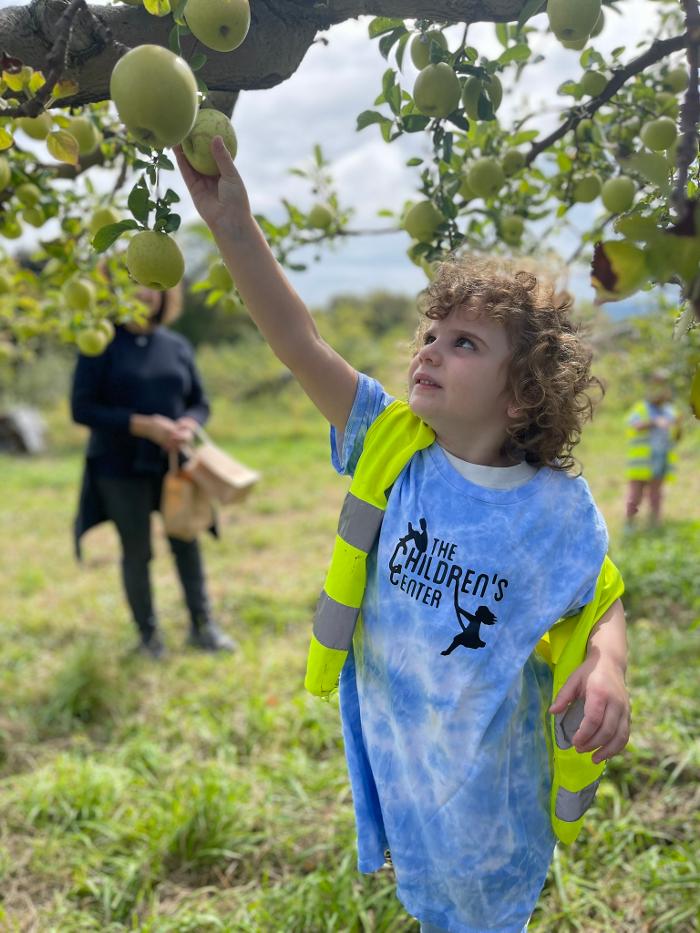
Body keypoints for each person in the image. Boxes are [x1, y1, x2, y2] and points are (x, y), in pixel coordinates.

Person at [175, 138, 630, 933]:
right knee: (431, 901)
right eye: (431, 333)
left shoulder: (551, 511)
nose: (430, 350)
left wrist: (610, 666)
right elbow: (299, 341)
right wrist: (232, 225)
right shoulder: (392, 447)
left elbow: (599, 597)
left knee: (481, 911)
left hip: (491, 783)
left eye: (465, 343)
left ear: (521, 396)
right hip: (404, 758)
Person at [71, 283, 235, 658]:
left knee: (187, 541)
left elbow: (199, 402)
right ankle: (148, 638)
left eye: (152, 288)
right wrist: (141, 425)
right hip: (119, 467)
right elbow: (81, 408)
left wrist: (189, 425)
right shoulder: (100, 344)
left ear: (165, 295)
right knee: (137, 551)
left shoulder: (176, 345)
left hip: (173, 467)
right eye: (132, 287)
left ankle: (203, 627)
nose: (144, 294)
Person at [624, 368, 681, 532]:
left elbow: (676, 437)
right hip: (642, 461)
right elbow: (634, 425)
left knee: (656, 495)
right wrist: (655, 422)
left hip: (661, 459)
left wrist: (678, 427)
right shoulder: (641, 408)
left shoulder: (670, 410)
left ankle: (654, 525)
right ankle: (629, 525)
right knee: (635, 495)